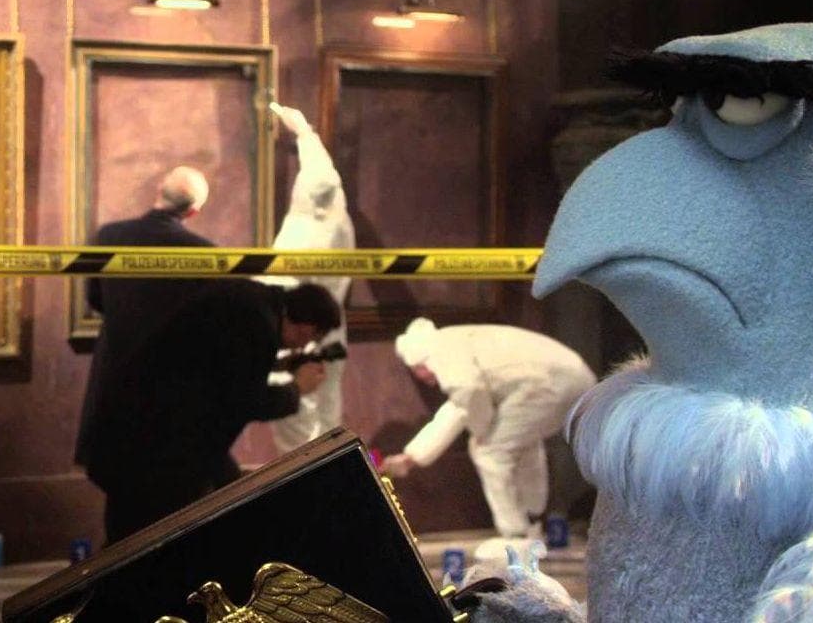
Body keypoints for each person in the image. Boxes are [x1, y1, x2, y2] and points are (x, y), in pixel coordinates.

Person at [85, 281, 340, 543]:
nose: (301, 348)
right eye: (312, 339)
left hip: (140, 435)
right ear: (308, 328)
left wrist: (277, 365)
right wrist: (297, 389)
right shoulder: (259, 323)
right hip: (156, 451)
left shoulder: (256, 303)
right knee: (141, 542)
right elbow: (245, 401)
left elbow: (215, 370)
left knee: (140, 535)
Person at [381, 317, 594, 562]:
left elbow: (469, 391)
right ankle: (533, 521)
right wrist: (412, 457)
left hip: (549, 383)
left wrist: (482, 432)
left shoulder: (443, 351)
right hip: (576, 379)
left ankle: (515, 536)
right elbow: (458, 407)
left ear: (418, 362)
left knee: (488, 451)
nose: (423, 378)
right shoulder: (457, 340)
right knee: (521, 444)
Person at [74, 165, 215, 484]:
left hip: (115, 377)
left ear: (159, 190)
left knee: (119, 489)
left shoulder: (109, 236)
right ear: (193, 211)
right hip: (169, 389)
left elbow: (96, 299)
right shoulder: (204, 253)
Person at [254, 103, 356, 454]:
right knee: (327, 421)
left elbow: (277, 285)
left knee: (299, 435)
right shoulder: (337, 215)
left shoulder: (307, 231)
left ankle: (313, 478)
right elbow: (319, 167)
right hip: (326, 330)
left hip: (298, 333)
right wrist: (302, 130)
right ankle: (331, 471)